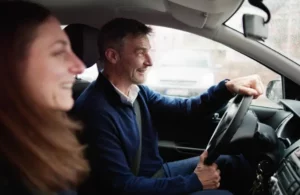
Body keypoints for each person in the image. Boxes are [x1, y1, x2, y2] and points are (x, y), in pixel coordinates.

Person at [73, 18, 264, 195]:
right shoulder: (95, 111)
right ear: (113, 56)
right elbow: (123, 186)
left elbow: (186, 109)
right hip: (138, 186)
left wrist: (227, 89)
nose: (150, 61)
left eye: (149, 51)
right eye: (140, 52)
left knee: (230, 164)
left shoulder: (137, 92)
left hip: (153, 175)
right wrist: (194, 182)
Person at [0, 1, 90, 194]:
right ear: (9, 65)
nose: (79, 66)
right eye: (58, 52)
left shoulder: (39, 132)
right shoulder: (11, 174)